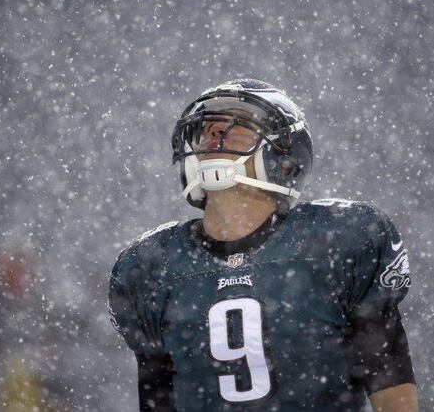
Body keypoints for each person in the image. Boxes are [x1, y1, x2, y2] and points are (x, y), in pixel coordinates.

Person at [108, 79, 417, 411]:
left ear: (284, 160)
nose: (215, 136)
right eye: (208, 129)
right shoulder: (152, 268)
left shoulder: (336, 244)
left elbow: (390, 383)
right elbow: (157, 399)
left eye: (237, 128)